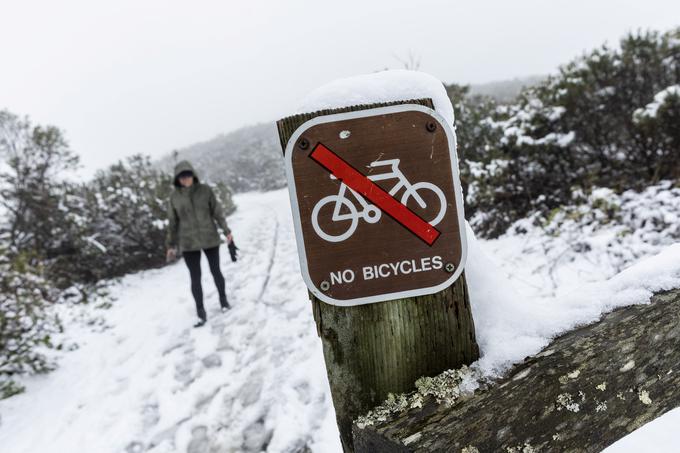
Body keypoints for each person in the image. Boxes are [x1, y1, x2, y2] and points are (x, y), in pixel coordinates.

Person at [165, 160, 234, 328]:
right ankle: (200, 313)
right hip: (188, 242)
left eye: (187, 175)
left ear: (193, 175)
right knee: (195, 278)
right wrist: (170, 245)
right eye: (181, 177)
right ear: (177, 179)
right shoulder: (174, 197)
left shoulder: (205, 191)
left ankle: (224, 302)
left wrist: (227, 231)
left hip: (209, 237)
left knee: (216, 271)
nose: (185, 179)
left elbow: (217, 212)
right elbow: (172, 222)